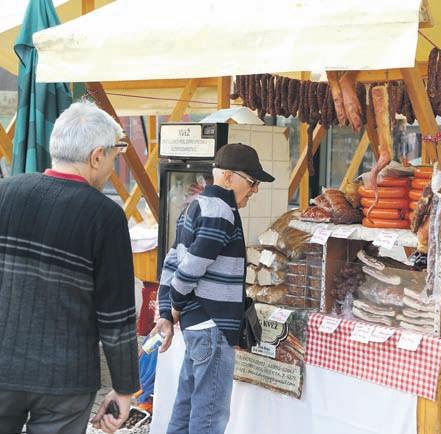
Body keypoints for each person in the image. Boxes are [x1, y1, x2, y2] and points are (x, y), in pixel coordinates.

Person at [0, 100, 139, 434]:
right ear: (96, 156)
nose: (113, 163)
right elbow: (115, 316)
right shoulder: (106, 217)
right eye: (115, 154)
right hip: (66, 379)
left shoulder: (4, 193)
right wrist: (124, 388)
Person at [154, 143, 274, 434]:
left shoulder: (194, 205)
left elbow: (172, 261)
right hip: (212, 324)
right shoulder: (220, 210)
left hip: (198, 325)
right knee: (210, 416)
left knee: (186, 407)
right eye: (252, 181)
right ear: (228, 177)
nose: (256, 190)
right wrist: (175, 305)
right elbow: (191, 266)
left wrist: (166, 311)